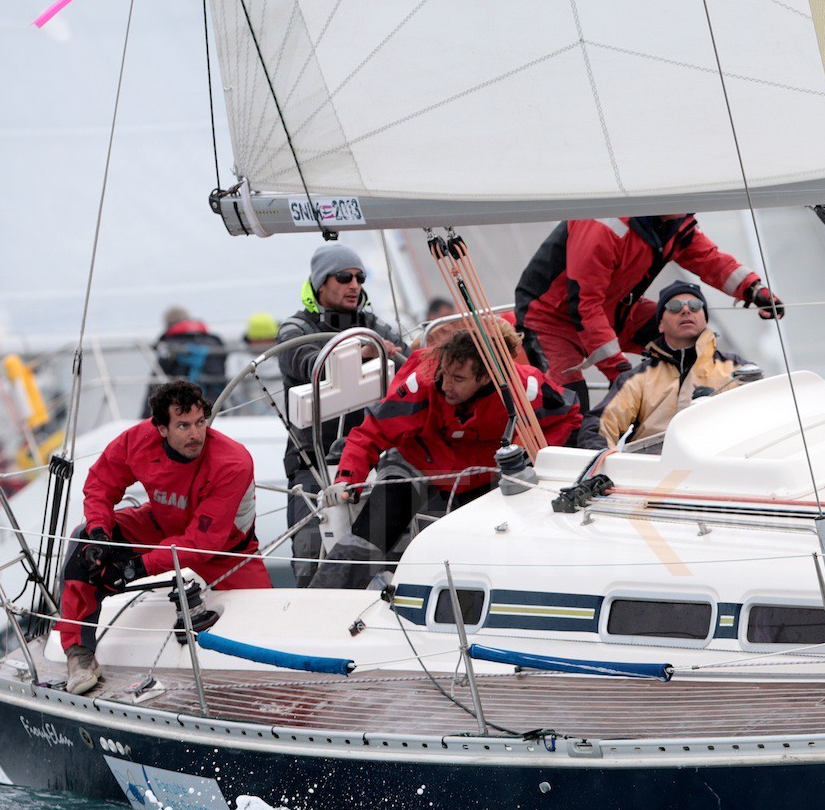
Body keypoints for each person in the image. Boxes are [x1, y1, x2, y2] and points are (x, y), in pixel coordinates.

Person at [59, 379, 271, 694]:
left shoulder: (233, 462)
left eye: (200, 422)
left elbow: (202, 544)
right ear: (161, 428)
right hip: (160, 524)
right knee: (83, 543)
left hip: (226, 551)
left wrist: (136, 568)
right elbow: (101, 483)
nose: (196, 434)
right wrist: (100, 532)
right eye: (183, 425)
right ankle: (80, 656)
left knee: (266, 623)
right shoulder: (138, 441)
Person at [321, 330, 579, 579]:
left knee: (486, 548)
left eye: (458, 379)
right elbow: (371, 431)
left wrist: (528, 457)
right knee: (368, 536)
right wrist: (346, 478)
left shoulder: (525, 389)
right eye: (444, 375)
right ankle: (327, 597)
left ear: (485, 378)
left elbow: (571, 416)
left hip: (482, 472)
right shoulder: (420, 385)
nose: (445, 386)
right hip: (417, 461)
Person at [513, 214, 783, 412]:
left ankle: (696, 412)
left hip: (615, 307)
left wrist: (753, 289)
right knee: (568, 404)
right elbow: (585, 305)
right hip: (551, 319)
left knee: (689, 340)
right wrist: (618, 371)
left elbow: (707, 259)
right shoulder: (604, 226)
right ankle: (580, 459)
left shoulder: (672, 222)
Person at [276, 244, 404, 587]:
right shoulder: (295, 329)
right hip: (312, 466)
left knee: (393, 553)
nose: (355, 285)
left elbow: (407, 365)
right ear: (321, 284)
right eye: (344, 277)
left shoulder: (375, 326)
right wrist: (363, 351)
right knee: (310, 559)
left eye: (359, 277)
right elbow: (305, 363)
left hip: (371, 463)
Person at [593, 280, 752, 449]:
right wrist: (601, 461)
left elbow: (762, 417)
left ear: (705, 318)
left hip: (718, 467)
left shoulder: (738, 370)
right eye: (674, 306)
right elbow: (600, 426)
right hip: (652, 469)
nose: (686, 310)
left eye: (695, 305)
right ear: (660, 324)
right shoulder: (638, 378)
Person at [147, 307, 228, 407]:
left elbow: (155, 382)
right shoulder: (214, 342)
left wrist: (145, 416)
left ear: (168, 324)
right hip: (216, 405)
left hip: (183, 407)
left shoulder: (168, 345)